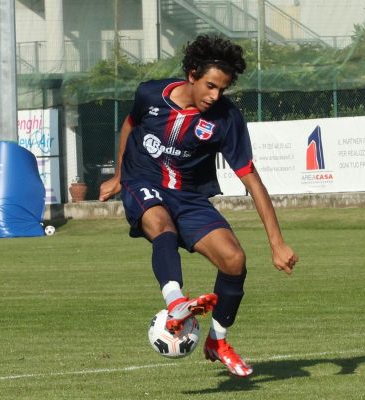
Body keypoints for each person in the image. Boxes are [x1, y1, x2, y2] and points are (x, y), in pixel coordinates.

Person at [99, 35, 298, 377]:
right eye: (209, 86)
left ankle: (217, 341)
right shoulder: (150, 94)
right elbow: (130, 124)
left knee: (234, 259)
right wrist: (119, 174)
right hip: (143, 182)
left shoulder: (227, 119)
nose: (214, 96)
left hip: (189, 196)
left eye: (222, 89)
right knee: (161, 225)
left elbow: (252, 179)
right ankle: (176, 302)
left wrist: (277, 243)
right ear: (192, 75)